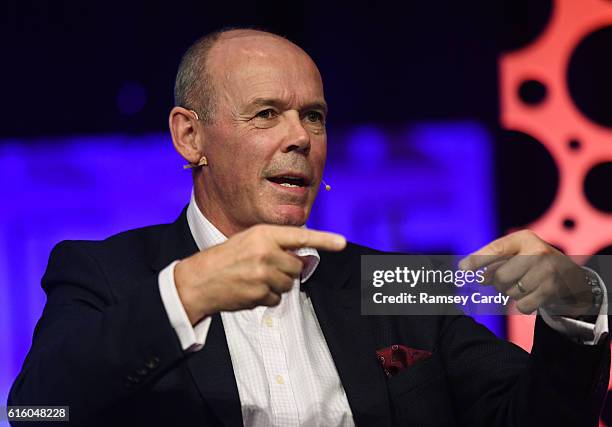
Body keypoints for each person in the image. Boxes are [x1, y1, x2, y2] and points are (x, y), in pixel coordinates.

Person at [8, 28, 610, 427]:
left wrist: (577, 307)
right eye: (266, 114)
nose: (300, 138)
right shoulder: (108, 273)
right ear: (191, 136)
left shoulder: (393, 280)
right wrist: (187, 295)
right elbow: (37, 410)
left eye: (313, 117)